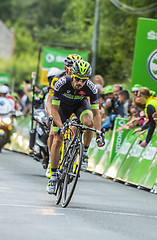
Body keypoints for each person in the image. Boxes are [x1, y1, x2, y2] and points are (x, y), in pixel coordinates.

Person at [47, 59, 104, 194]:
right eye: (77, 79)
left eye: (83, 80)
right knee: (58, 138)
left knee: (89, 123)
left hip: (79, 106)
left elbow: (96, 114)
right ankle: (53, 176)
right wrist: (61, 127)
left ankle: (84, 152)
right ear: (72, 75)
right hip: (62, 108)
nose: (80, 83)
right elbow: (54, 109)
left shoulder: (90, 87)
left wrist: (99, 133)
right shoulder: (61, 83)